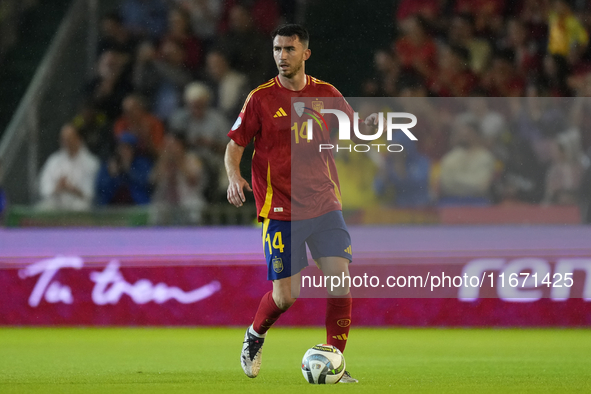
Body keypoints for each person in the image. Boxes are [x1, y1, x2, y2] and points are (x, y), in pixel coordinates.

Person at [224, 24, 372, 384]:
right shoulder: (260, 98)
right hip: (281, 209)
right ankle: (255, 336)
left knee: (340, 282)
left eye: (289, 49)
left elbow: (354, 131)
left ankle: (336, 359)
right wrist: (233, 175)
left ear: (305, 53)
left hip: (324, 204)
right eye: (277, 49)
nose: (281, 56)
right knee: (287, 296)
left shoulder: (327, 94)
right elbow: (235, 145)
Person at [38, 124, 100, 211]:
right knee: (43, 208)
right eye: (63, 139)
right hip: (57, 203)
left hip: (80, 205)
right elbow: (44, 187)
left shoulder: (91, 163)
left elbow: (90, 194)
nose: (66, 142)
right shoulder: (53, 160)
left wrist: (73, 189)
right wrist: (57, 187)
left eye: (69, 138)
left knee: (80, 208)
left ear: (78, 139)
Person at [96, 132, 153, 206]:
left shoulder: (142, 164)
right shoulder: (109, 165)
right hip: (112, 207)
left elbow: (147, 184)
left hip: (137, 205)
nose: (124, 151)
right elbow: (101, 189)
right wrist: (113, 176)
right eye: (122, 148)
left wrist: (129, 170)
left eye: (128, 148)